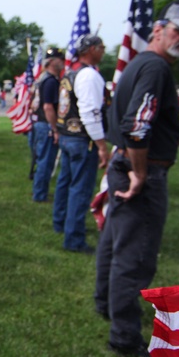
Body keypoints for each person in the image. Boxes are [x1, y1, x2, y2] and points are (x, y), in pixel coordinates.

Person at [93, 0, 179, 357]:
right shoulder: (155, 67)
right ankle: (125, 337)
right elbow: (137, 125)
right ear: (158, 30)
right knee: (135, 255)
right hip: (140, 168)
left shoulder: (143, 64)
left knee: (114, 241)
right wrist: (141, 174)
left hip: (124, 162)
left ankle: (106, 305)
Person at [53, 35, 110, 252]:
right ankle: (74, 238)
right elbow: (90, 112)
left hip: (68, 135)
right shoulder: (88, 75)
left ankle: (61, 223)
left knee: (65, 183)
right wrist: (102, 145)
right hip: (82, 139)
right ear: (92, 49)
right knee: (80, 188)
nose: (103, 51)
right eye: (101, 47)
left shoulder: (70, 73)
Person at [32, 49, 64, 202]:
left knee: (43, 159)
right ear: (51, 61)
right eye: (59, 59)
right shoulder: (50, 81)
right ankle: (40, 194)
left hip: (42, 124)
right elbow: (48, 107)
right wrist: (55, 128)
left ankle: (40, 191)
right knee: (46, 161)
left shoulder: (45, 79)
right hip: (46, 124)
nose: (62, 62)